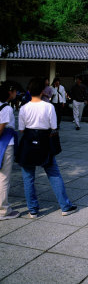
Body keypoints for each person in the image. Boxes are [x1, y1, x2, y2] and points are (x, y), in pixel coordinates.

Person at [18, 78, 77, 217]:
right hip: (44, 140)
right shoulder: (48, 107)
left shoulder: (24, 108)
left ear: (28, 91)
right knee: (54, 173)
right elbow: (54, 126)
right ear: (43, 91)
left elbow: (21, 129)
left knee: (28, 177)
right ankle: (65, 206)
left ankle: (32, 210)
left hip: (28, 141)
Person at [0, 83, 20, 220]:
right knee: (4, 177)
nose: (16, 94)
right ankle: (3, 210)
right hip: (5, 143)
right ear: (10, 92)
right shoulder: (7, 109)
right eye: (14, 92)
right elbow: (1, 129)